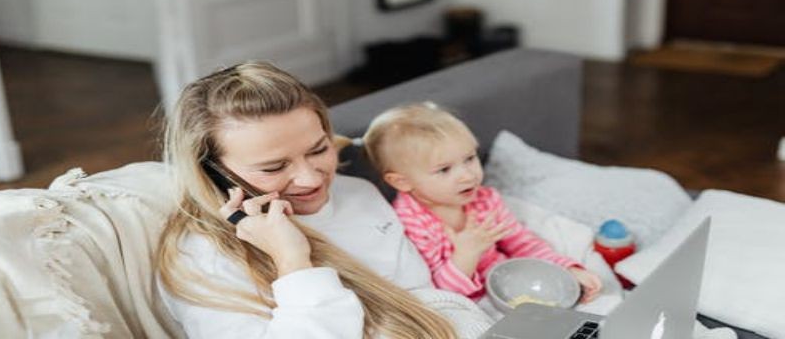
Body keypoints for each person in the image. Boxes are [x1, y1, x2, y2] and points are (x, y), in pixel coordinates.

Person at [155, 62, 492, 339]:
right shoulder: (204, 260)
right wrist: (292, 260)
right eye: (274, 167)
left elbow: (420, 293)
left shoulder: (357, 192)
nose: (312, 179)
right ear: (214, 172)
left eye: (319, 149)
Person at [357, 102, 603, 304]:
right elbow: (438, 294)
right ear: (402, 182)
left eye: (470, 158)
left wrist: (566, 269)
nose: (468, 175)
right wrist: (466, 253)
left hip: (508, 287)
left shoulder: (485, 200)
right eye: (444, 170)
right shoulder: (410, 225)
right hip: (465, 304)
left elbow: (522, 243)